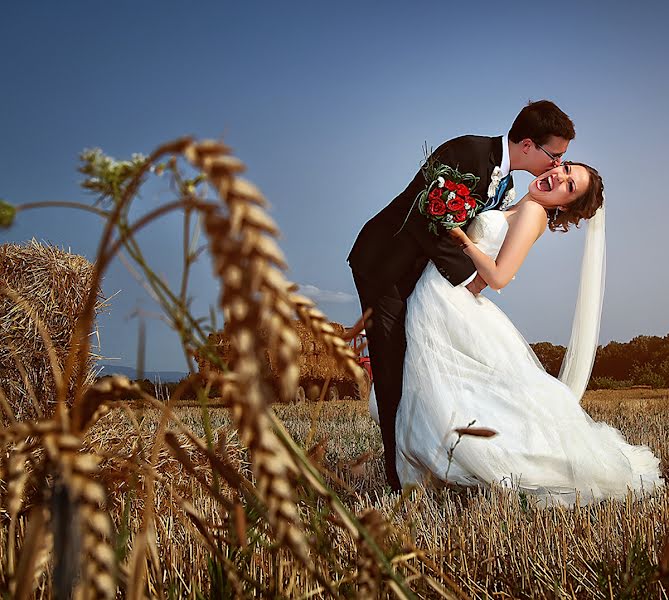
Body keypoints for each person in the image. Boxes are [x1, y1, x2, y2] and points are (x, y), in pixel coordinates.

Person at [381, 163, 663, 504]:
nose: (559, 177)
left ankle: (474, 461)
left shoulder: (533, 213)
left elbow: (498, 277)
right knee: (451, 387)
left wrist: (462, 239)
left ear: (565, 205)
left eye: (569, 186)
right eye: (567, 169)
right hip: (442, 293)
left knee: (447, 386)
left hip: (450, 298)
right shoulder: (517, 200)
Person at [348, 100, 575, 490]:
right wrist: (472, 280)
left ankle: (433, 463)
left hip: (424, 281)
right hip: (385, 265)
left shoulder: (507, 186)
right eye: (554, 156)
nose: (556, 166)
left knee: (425, 369)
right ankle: (398, 480)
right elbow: (427, 221)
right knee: (390, 369)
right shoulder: (467, 153)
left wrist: (475, 282)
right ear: (526, 144)